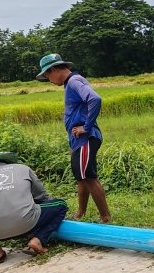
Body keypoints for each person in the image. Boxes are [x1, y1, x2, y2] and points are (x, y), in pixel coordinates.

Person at [37, 53, 111, 223]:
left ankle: (105, 217)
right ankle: (80, 213)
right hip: (78, 141)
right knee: (81, 177)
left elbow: (95, 99)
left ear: (54, 69)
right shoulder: (70, 83)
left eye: (48, 75)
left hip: (87, 138)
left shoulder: (74, 81)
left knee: (89, 176)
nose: (49, 80)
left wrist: (86, 127)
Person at [0, 151, 68, 263]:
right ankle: (39, 239)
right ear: (6, 162)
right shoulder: (22, 169)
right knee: (60, 205)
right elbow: (41, 196)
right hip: (28, 224)